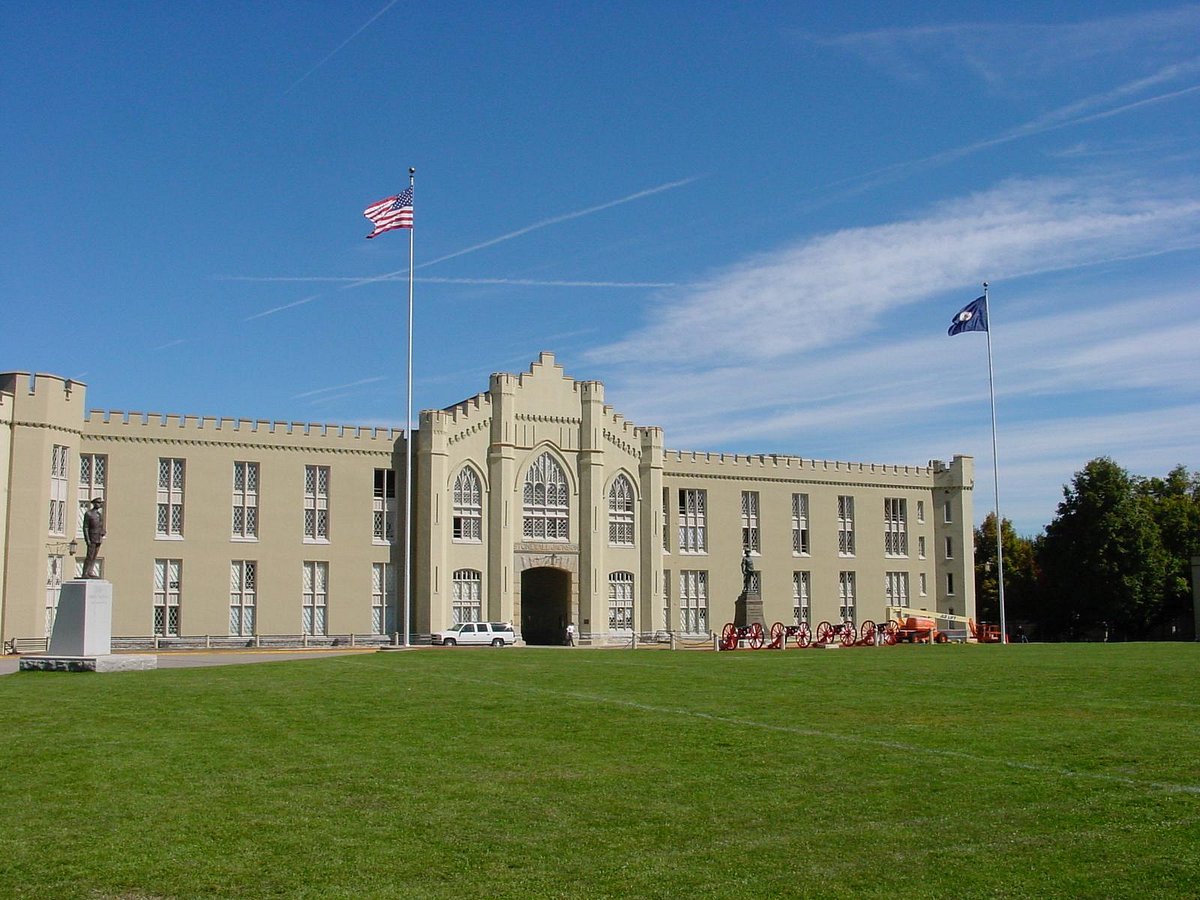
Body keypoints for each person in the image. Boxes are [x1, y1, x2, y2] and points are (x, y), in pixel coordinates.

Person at [82, 498, 105, 579]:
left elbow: (100, 525)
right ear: (94, 503)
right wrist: (87, 539)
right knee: (89, 556)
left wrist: (102, 531)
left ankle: (90, 571)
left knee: (95, 556)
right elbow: (85, 527)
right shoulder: (88, 514)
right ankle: (85, 572)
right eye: (98, 503)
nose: (99, 504)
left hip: (98, 537)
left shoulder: (99, 515)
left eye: (100, 503)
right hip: (91, 537)